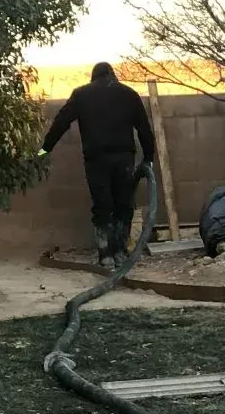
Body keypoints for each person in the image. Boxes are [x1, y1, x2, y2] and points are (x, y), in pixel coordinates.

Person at [41, 62, 155, 264]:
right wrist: (148, 158)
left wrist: (45, 149)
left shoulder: (81, 95)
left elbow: (61, 122)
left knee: (102, 205)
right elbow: (144, 129)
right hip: (124, 158)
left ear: (93, 76)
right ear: (113, 75)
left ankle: (105, 255)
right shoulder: (129, 94)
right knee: (123, 205)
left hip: (96, 160)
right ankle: (120, 253)